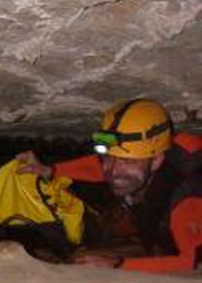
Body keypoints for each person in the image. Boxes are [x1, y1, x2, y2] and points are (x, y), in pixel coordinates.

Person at [17, 98, 202, 272]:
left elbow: (191, 261)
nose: (113, 171)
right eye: (108, 158)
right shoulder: (147, 158)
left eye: (128, 162)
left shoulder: (187, 195)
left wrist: (117, 265)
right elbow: (96, 167)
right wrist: (50, 170)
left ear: (156, 161)